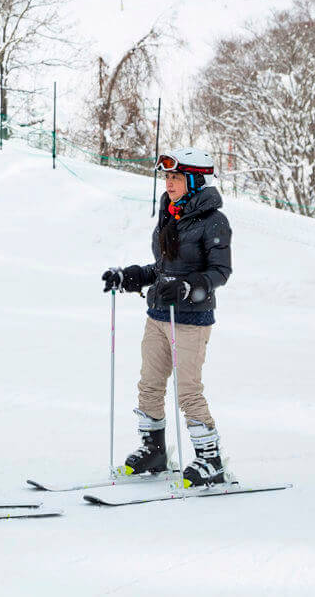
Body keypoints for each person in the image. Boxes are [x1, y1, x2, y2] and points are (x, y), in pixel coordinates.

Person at [101, 147, 232, 488]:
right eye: (167, 177)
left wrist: (190, 287)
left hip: (191, 319)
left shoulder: (213, 220)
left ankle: (210, 460)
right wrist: (130, 276)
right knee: (149, 386)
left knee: (188, 392)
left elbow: (220, 271)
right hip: (158, 313)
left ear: (194, 180)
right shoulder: (169, 213)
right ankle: (153, 450)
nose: (169, 183)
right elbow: (162, 269)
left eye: (175, 177)